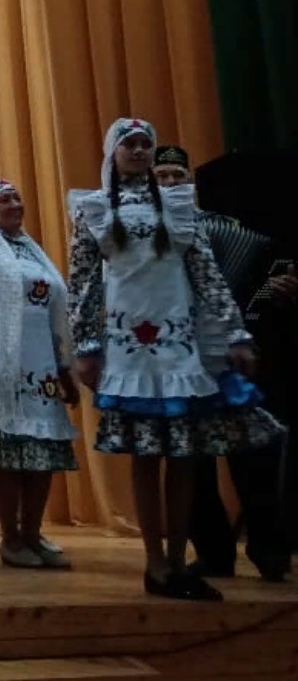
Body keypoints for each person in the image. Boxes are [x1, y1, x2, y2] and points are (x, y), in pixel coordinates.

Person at [67, 119, 283, 600]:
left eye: (146, 144)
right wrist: (84, 347)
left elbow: (207, 275)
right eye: (129, 144)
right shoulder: (96, 209)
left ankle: (180, 559)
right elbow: (82, 283)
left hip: (179, 346)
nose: (139, 151)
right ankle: (155, 562)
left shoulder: (178, 207)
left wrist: (235, 334)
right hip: (130, 350)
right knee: (146, 456)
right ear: (112, 153)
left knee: (184, 455)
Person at [153, 145, 294, 582]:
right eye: (162, 176)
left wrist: (277, 289)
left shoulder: (231, 228)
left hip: (232, 355)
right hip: (176, 357)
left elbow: (271, 272)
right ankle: (213, 552)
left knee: (252, 454)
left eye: (178, 175)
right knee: (191, 459)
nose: (170, 183)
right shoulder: (144, 234)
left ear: (191, 184)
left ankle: (270, 549)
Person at [0, 178, 80, 569]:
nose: (14, 204)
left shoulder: (32, 250)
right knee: (7, 454)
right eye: (4, 199)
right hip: (1, 361)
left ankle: (33, 533)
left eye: (17, 197)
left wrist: (63, 366)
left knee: (41, 451)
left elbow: (55, 310)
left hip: (41, 363)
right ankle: (10, 537)